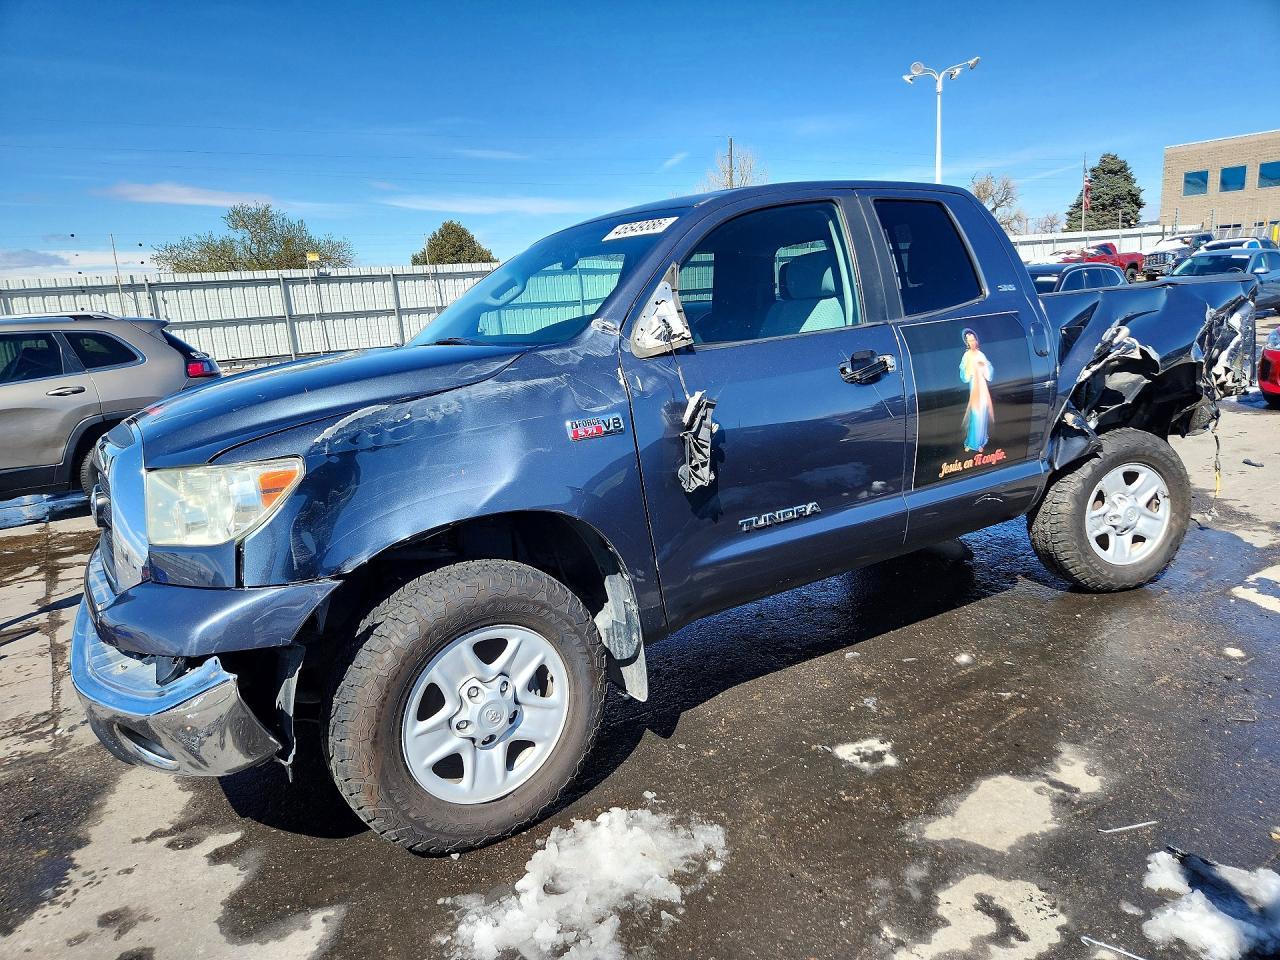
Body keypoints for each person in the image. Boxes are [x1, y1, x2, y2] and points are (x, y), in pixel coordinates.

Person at [959, 328, 993, 452]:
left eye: (973, 340)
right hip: (974, 386)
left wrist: (983, 367)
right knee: (975, 415)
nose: (972, 342)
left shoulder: (980, 354)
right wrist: (971, 371)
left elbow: (988, 369)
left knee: (982, 414)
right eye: (969, 341)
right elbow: (963, 371)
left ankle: (980, 442)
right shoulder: (967, 355)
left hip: (982, 386)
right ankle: (971, 442)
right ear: (967, 343)